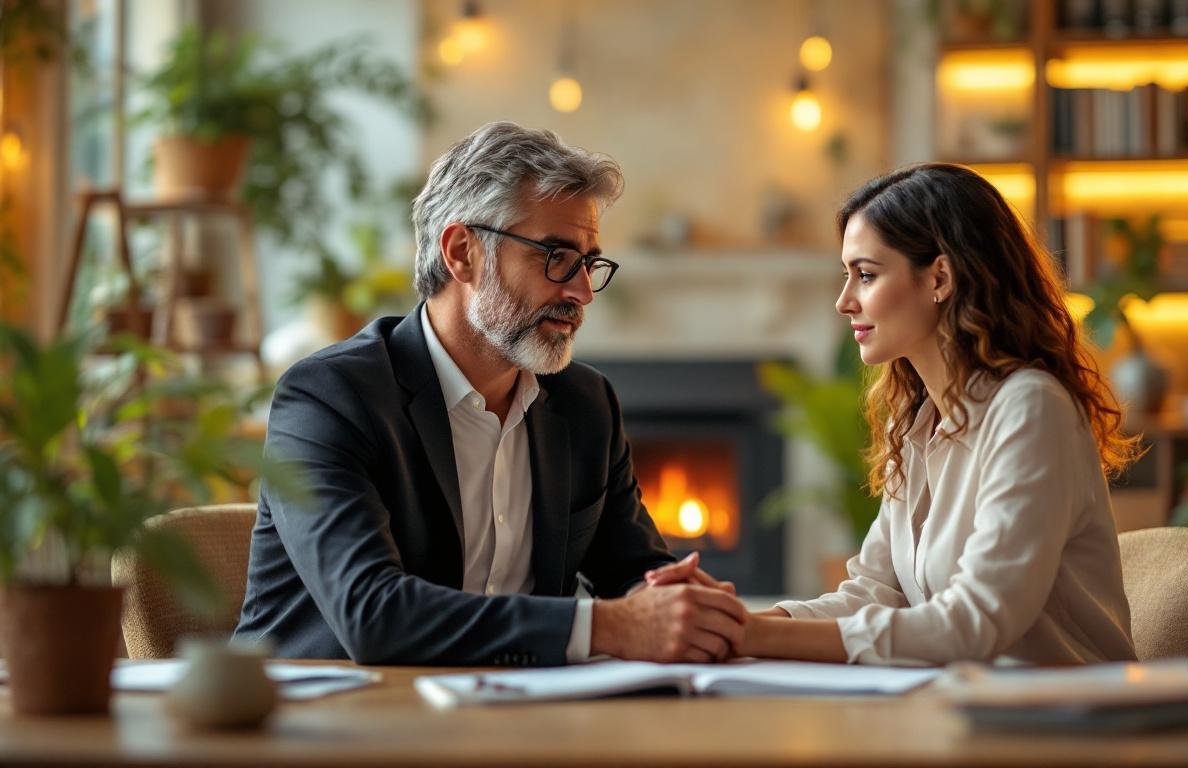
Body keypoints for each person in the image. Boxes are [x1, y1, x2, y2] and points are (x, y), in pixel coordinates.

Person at [235, 122, 746, 666]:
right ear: (461, 254)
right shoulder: (330, 398)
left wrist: (684, 607)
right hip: (325, 726)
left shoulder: (585, 404)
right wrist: (606, 626)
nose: (581, 292)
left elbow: (634, 577)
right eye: (555, 257)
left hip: (511, 720)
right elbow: (371, 614)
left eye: (589, 263)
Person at [650, 163, 1139, 665]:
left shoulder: (1031, 408)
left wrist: (749, 638)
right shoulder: (919, 422)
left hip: (1069, 725)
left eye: (866, 274)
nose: (844, 302)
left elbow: (975, 621)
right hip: (962, 713)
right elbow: (872, 592)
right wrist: (730, 621)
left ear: (940, 278)